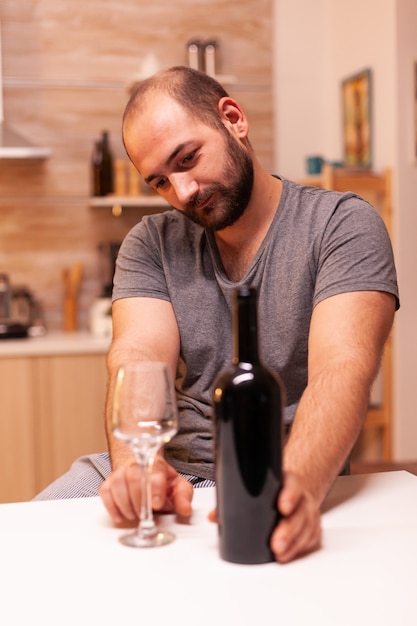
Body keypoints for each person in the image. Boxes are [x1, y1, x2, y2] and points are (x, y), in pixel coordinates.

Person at [34, 66, 399, 564]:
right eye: (160, 181)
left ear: (233, 119)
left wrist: (293, 490)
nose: (182, 192)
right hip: (173, 473)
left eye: (188, 159)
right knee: (24, 547)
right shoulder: (151, 243)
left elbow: (343, 368)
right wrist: (138, 467)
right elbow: (138, 356)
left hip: (282, 474)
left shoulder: (343, 224)